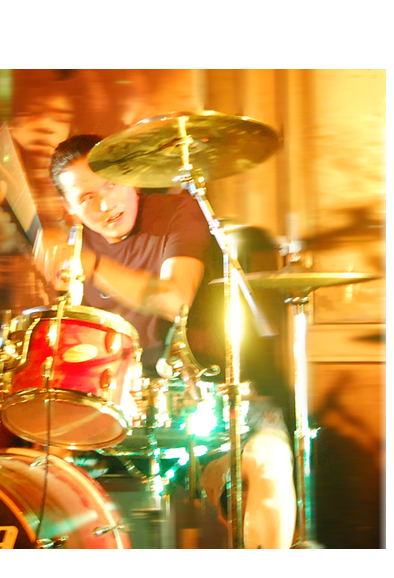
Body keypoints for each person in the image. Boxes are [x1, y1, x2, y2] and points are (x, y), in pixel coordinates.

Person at [33, 134, 296, 549]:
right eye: (87, 198)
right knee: (43, 474)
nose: (105, 204)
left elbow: (175, 300)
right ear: (69, 208)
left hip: (206, 403)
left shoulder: (179, 211)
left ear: (132, 181)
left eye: (111, 185)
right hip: (118, 421)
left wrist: (93, 265)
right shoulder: (71, 247)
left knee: (268, 462)